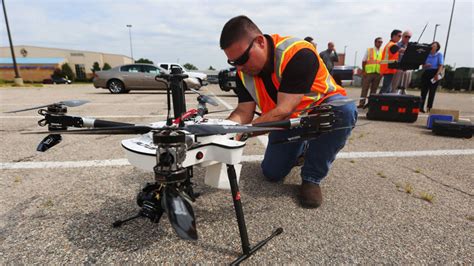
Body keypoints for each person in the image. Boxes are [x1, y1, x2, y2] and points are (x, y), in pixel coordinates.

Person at [220, 15, 357, 209]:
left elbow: (285, 109)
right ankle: (302, 149)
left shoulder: (297, 53)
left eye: (242, 59)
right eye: (233, 62)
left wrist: (242, 132)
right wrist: (225, 131)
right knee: (271, 173)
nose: (240, 67)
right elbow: (244, 110)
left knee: (344, 110)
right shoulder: (244, 73)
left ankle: (312, 177)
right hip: (286, 122)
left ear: (259, 41)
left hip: (318, 112)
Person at [358, 37, 383, 108]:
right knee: (365, 89)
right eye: (378, 42)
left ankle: (371, 103)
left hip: (378, 73)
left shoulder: (382, 51)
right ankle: (361, 103)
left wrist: (382, 73)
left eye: (381, 42)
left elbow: (383, 63)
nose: (380, 43)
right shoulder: (369, 50)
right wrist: (364, 71)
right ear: (375, 42)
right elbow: (364, 61)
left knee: (374, 90)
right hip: (369, 73)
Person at [420, 41, 444, 113]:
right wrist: (426, 65)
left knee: (432, 92)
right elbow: (422, 66)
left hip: (434, 73)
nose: (432, 47)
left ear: (437, 48)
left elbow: (441, 65)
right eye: (431, 45)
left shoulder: (439, 55)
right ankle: (421, 107)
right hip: (427, 73)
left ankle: (429, 107)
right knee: (423, 91)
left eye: (434, 46)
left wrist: (437, 74)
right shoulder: (426, 54)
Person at [379, 29, 404, 93]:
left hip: (388, 68)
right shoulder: (392, 45)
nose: (400, 38)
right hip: (388, 69)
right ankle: (377, 101)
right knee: (385, 88)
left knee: (388, 89)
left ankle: (384, 102)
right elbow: (400, 50)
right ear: (394, 36)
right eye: (399, 36)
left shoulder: (390, 44)